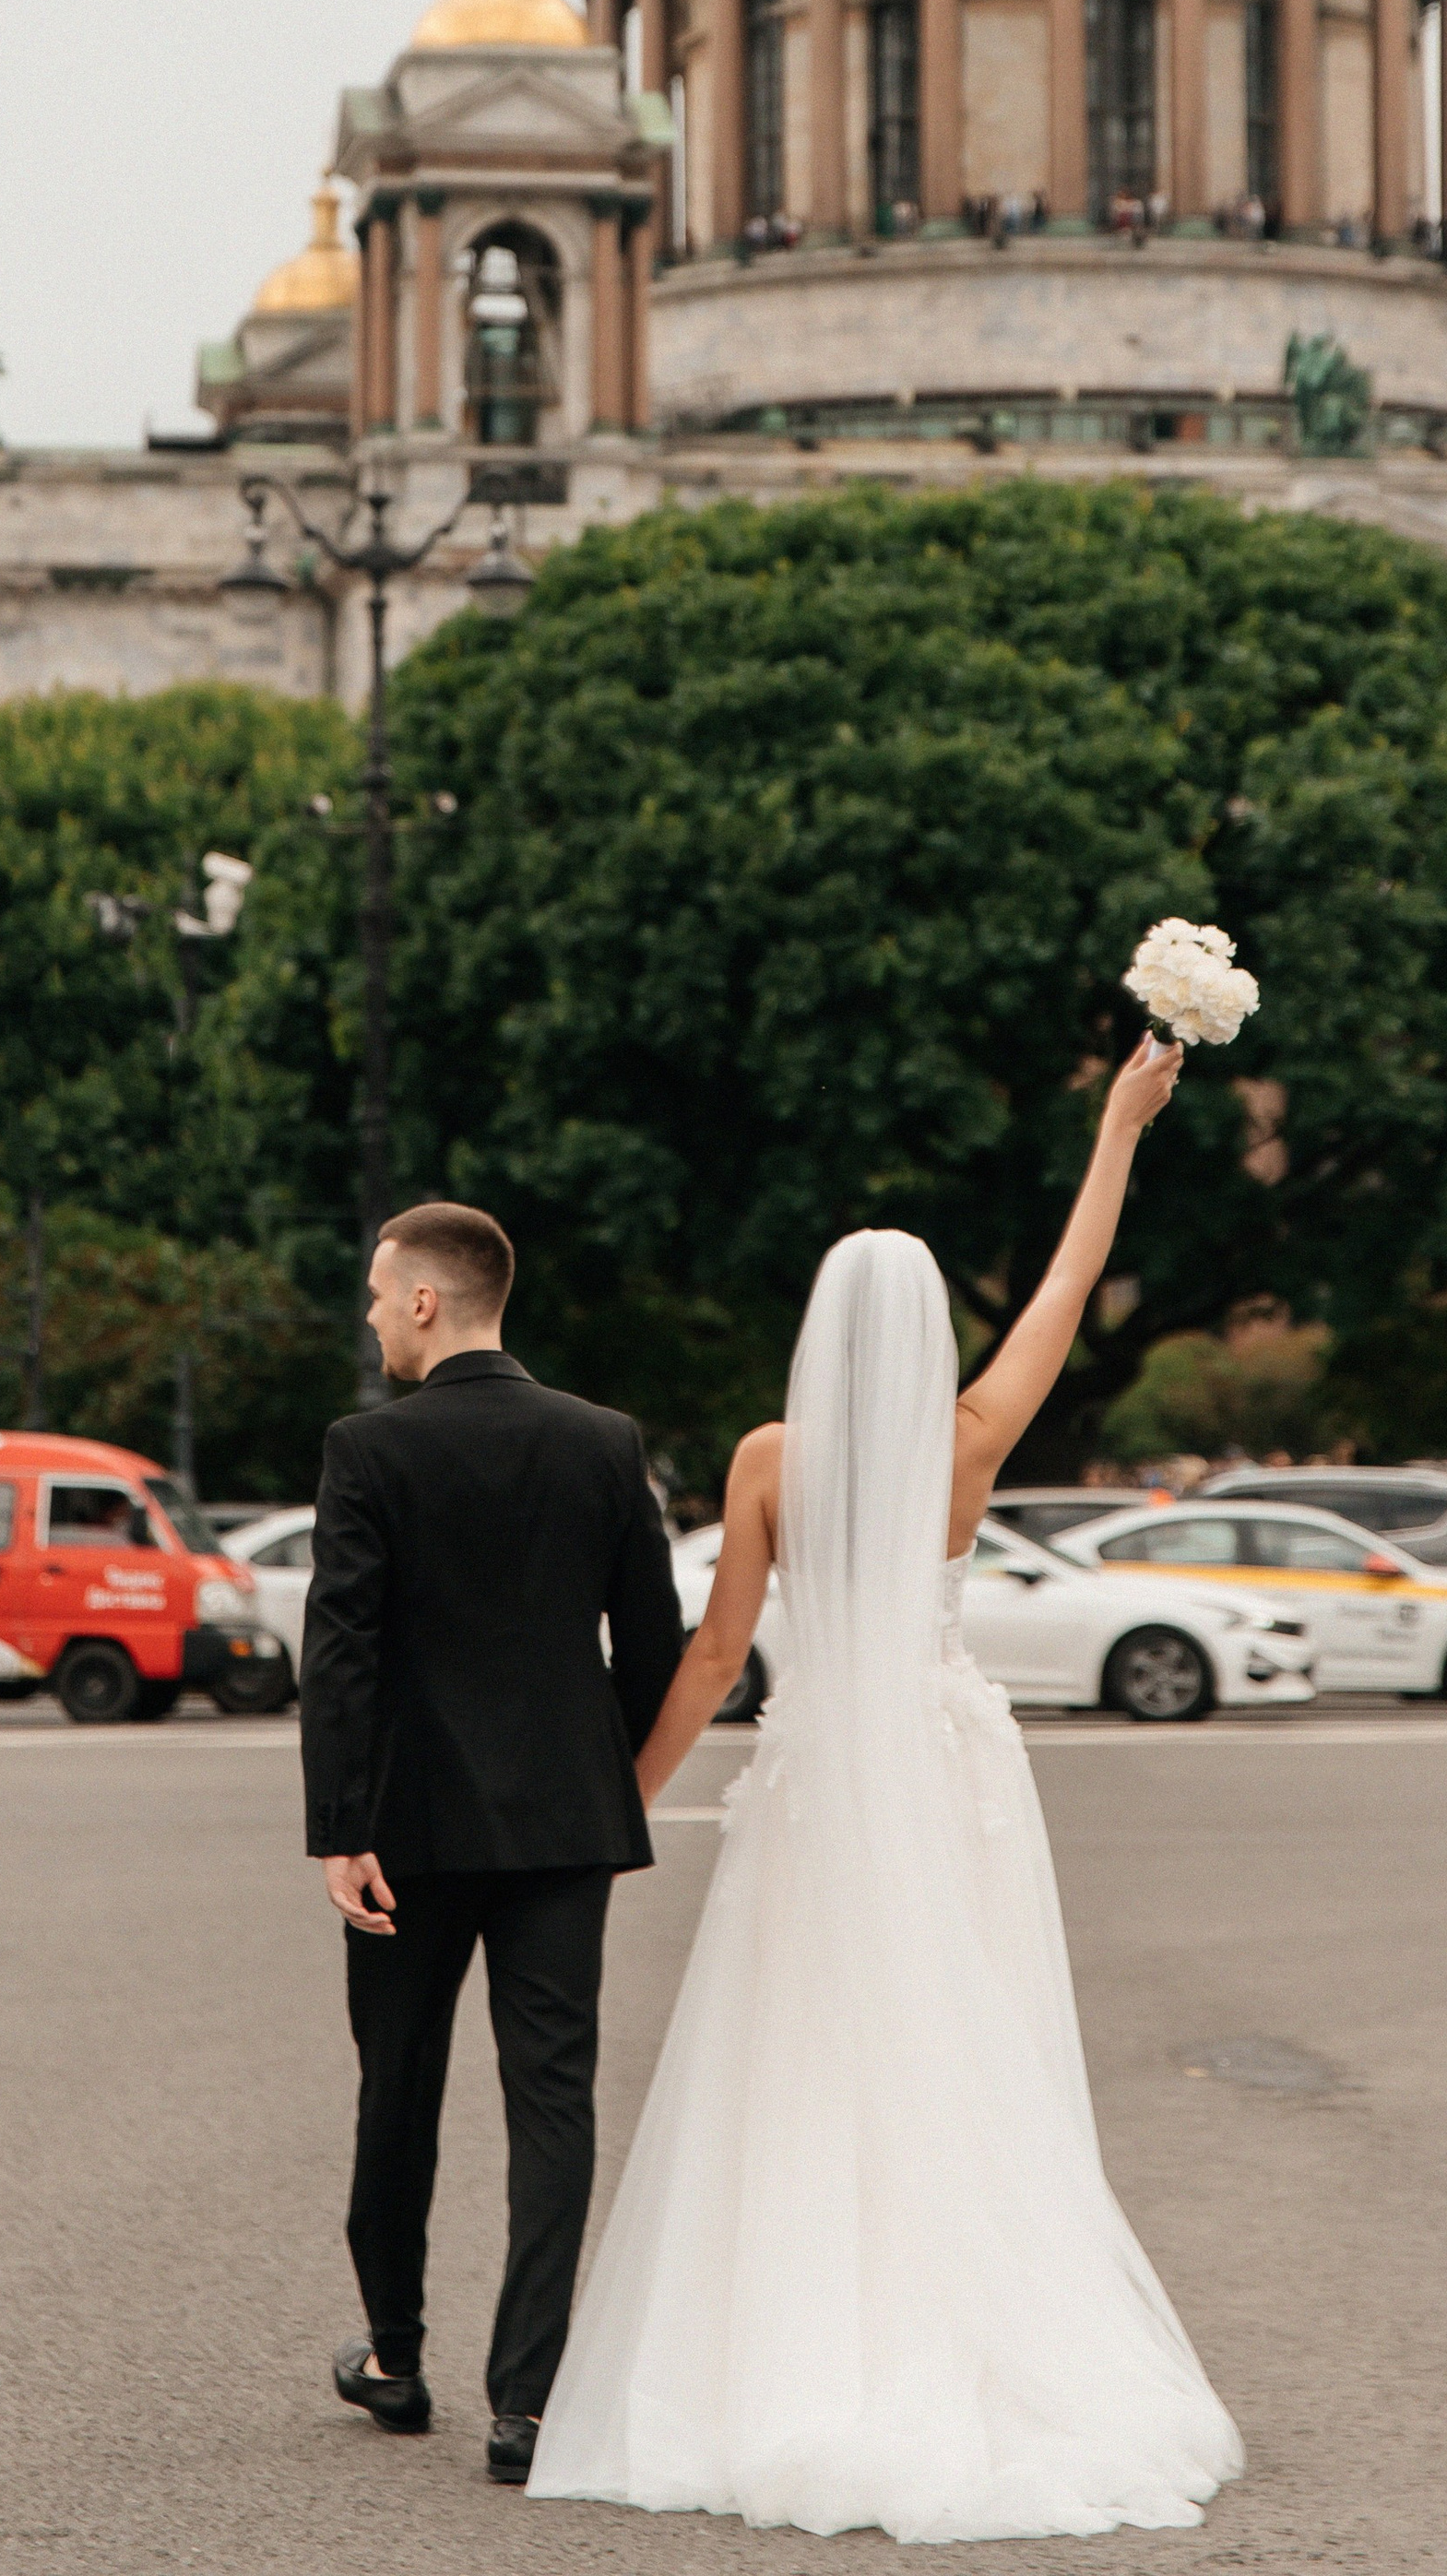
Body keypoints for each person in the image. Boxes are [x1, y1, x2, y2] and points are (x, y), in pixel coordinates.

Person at [529, 1037, 1241, 2542]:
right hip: (944, 1764)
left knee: (798, 2057)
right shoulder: (973, 1441)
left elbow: (719, 1655)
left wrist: (626, 1806)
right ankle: (978, 2330)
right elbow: (1067, 1281)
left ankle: (787, 2346)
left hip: (819, 1776)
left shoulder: (770, 1458)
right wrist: (1119, 1128)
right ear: (926, 1339)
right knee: (960, 2041)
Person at [299, 1200, 684, 2489]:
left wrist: (340, 1828)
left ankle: (397, 2359)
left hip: (407, 1827)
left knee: (397, 2084)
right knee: (553, 2099)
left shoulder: (368, 1451)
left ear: (424, 1300)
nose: (369, 1316)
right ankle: (527, 2403)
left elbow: (340, 1653)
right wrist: (604, 1774)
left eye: (374, 1293)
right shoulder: (603, 1441)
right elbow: (655, 1643)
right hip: (564, 1825)